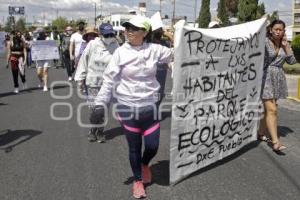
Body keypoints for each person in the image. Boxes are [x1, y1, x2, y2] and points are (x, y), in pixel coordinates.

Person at [92, 15, 173, 198]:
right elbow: (108, 80)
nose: (128, 31)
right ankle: (138, 181)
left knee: (152, 146)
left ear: (144, 32)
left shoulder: (155, 50)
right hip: (128, 108)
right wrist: (99, 105)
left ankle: (145, 164)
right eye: (127, 27)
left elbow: (178, 52)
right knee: (134, 147)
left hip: (149, 107)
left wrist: (174, 34)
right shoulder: (120, 53)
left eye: (134, 28)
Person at [75, 23, 119, 143]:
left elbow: (120, 63)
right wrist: (80, 80)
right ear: (100, 34)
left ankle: (99, 131)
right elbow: (84, 61)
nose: (109, 37)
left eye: (111, 34)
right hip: (93, 82)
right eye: (106, 35)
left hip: (108, 83)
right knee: (95, 108)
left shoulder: (116, 45)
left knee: (103, 108)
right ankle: (93, 130)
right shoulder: (93, 44)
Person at [258, 19, 296, 153]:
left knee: (269, 109)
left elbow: (292, 61)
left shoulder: (285, 43)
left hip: (278, 77)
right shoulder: (265, 42)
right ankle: (275, 142)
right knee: (272, 109)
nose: (279, 32)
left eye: (281, 30)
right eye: (276, 29)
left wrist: (286, 47)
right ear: (271, 30)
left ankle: (261, 133)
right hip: (266, 76)